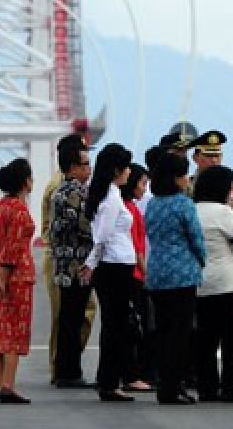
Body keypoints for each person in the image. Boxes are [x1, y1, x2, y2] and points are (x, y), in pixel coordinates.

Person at [144, 150, 207, 405]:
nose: (187, 180)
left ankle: (164, 384)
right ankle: (173, 386)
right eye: (184, 176)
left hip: (157, 272)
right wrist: (201, 261)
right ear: (176, 179)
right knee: (180, 335)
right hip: (182, 275)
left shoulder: (153, 204)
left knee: (163, 331)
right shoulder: (183, 204)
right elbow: (196, 239)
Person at [82, 143, 139, 402]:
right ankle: (109, 382)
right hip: (114, 266)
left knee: (115, 325)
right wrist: (91, 263)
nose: (129, 172)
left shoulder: (106, 193)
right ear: (117, 169)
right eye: (126, 167)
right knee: (116, 326)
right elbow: (102, 236)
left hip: (116, 265)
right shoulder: (112, 196)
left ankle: (109, 380)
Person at [192, 165, 233, 403]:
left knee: (205, 340)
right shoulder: (223, 212)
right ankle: (230, 387)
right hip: (227, 283)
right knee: (231, 339)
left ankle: (207, 387)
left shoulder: (193, 210)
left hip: (200, 283)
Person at [40, 135, 96, 382]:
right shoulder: (74, 191)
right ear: (72, 167)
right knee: (72, 318)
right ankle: (67, 371)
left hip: (65, 264)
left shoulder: (61, 188)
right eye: (85, 164)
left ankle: (64, 369)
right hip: (75, 265)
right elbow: (85, 227)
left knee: (69, 318)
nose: (89, 169)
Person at [0, 158, 37, 404]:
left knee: (0, 325)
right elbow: (13, 248)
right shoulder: (19, 210)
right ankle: (8, 385)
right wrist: (4, 279)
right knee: (14, 329)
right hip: (15, 274)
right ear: (26, 182)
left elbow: (2, 247)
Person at [120, 163, 156, 391]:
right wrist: (145, 272)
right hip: (134, 274)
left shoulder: (129, 206)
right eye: (142, 183)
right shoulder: (130, 210)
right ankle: (133, 374)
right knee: (136, 327)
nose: (145, 189)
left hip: (131, 272)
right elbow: (136, 246)